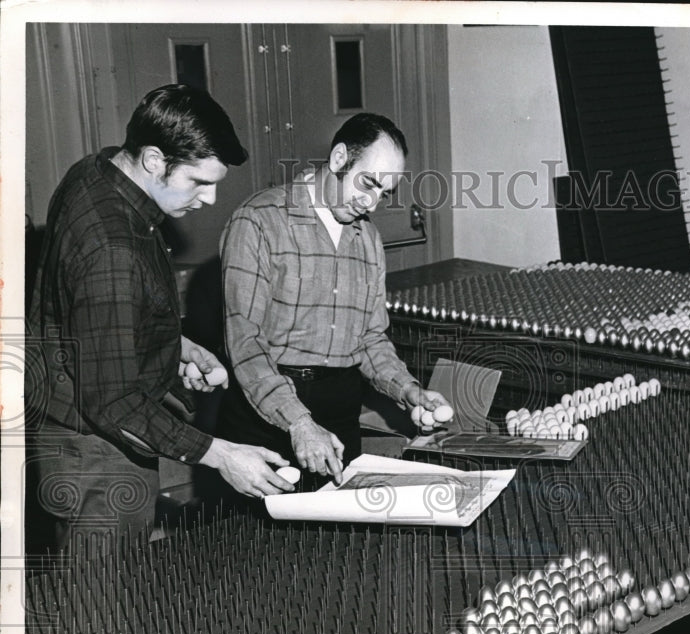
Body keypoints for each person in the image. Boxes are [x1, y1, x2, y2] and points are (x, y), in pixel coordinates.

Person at [27, 84, 294, 555]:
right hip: (97, 455)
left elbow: (93, 315)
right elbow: (115, 403)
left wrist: (173, 347)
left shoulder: (95, 170)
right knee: (101, 607)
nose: (210, 199)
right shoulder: (112, 244)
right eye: (198, 182)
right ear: (153, 159)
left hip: (77, 433)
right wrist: (223, 455)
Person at [217, 113, 450, 488]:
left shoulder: (368, 239)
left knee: (337, 542)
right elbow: (245, 342)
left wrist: (408, 391)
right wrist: (298, 421)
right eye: (369, 184)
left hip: (340, 411)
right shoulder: (259, 221)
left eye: (383, 193)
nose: (372, 204)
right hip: (266, 411)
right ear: (340, 158)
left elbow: (370, 338)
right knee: (256, 541)